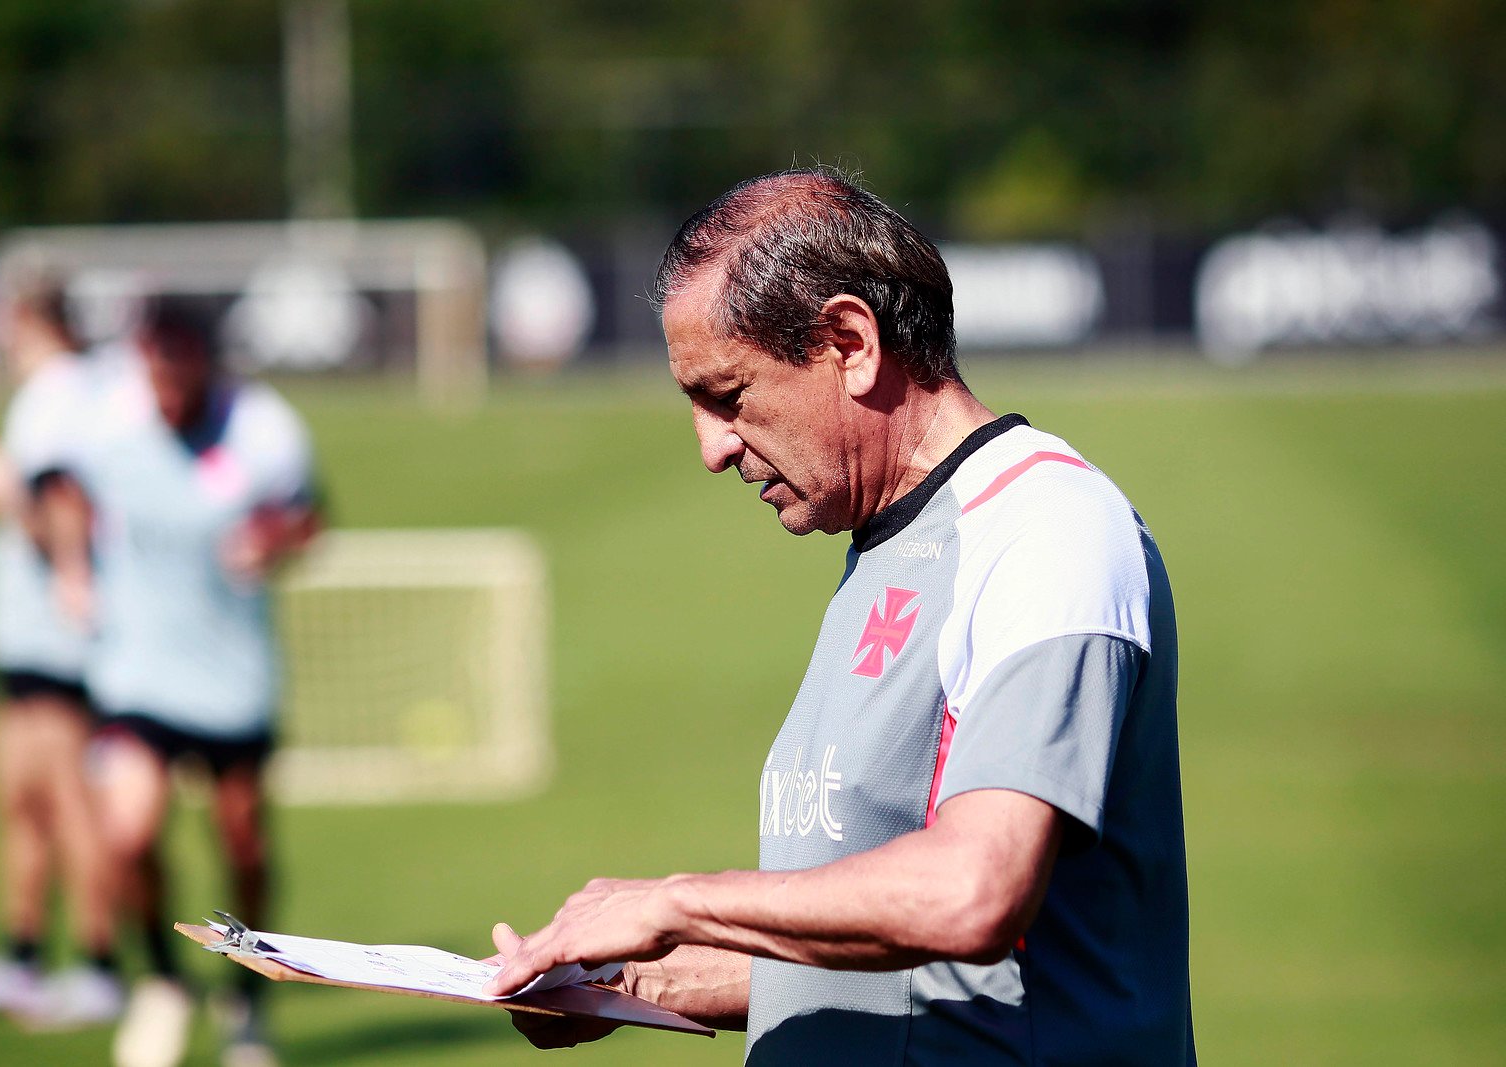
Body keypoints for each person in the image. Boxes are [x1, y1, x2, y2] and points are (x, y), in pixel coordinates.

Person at [484, 168, 1196, 1064]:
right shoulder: (887, 541)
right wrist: (641, 982)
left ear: (850, 342)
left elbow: (972, 891)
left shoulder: (1044, 528)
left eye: (727, 395)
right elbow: (910, 969)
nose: (711, 448)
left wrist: (676, 900)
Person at [58, 297, 320, 1067]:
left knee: (241, 838)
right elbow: (62, 490)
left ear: (205, 359)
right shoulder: (109, 421)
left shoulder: (263, 428)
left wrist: (270, 541)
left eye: (176, 366)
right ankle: (164, 981)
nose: (163, 385)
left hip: (232, 674)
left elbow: (308, 517)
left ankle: (247, 996)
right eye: (152, 366)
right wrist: (74, 570)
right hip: (137, 669)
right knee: (128, 830)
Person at [0, 272, 123, 1030]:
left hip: (56, 636)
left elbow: (60, 510)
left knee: (70, 802)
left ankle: (99, 964)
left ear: (23, 320)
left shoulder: (59, 395)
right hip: (21, 633)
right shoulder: (61, 390)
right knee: (20, 800)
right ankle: (21, 953)